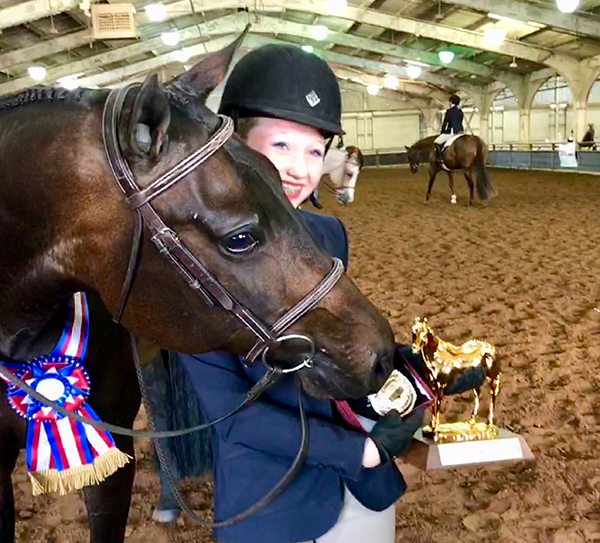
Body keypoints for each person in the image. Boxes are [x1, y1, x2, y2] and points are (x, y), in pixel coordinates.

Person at [148, 44, 484, 543]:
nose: (300, 170)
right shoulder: (189, 262)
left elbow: (335, 339)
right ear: (233, 143)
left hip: (358, 488)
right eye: (280, 145)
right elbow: (234, 418)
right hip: (271, 504)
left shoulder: (328, 235)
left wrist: (416, 368)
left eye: (314, 150)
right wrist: (362, 451)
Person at [434, 94, 464, 164]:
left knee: (436, 142)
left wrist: (442, 131)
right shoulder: (460, 112)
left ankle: (440, 158)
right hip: (460, 132)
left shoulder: (449, 111)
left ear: (450, 102)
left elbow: (445, 122)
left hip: (452, 132)